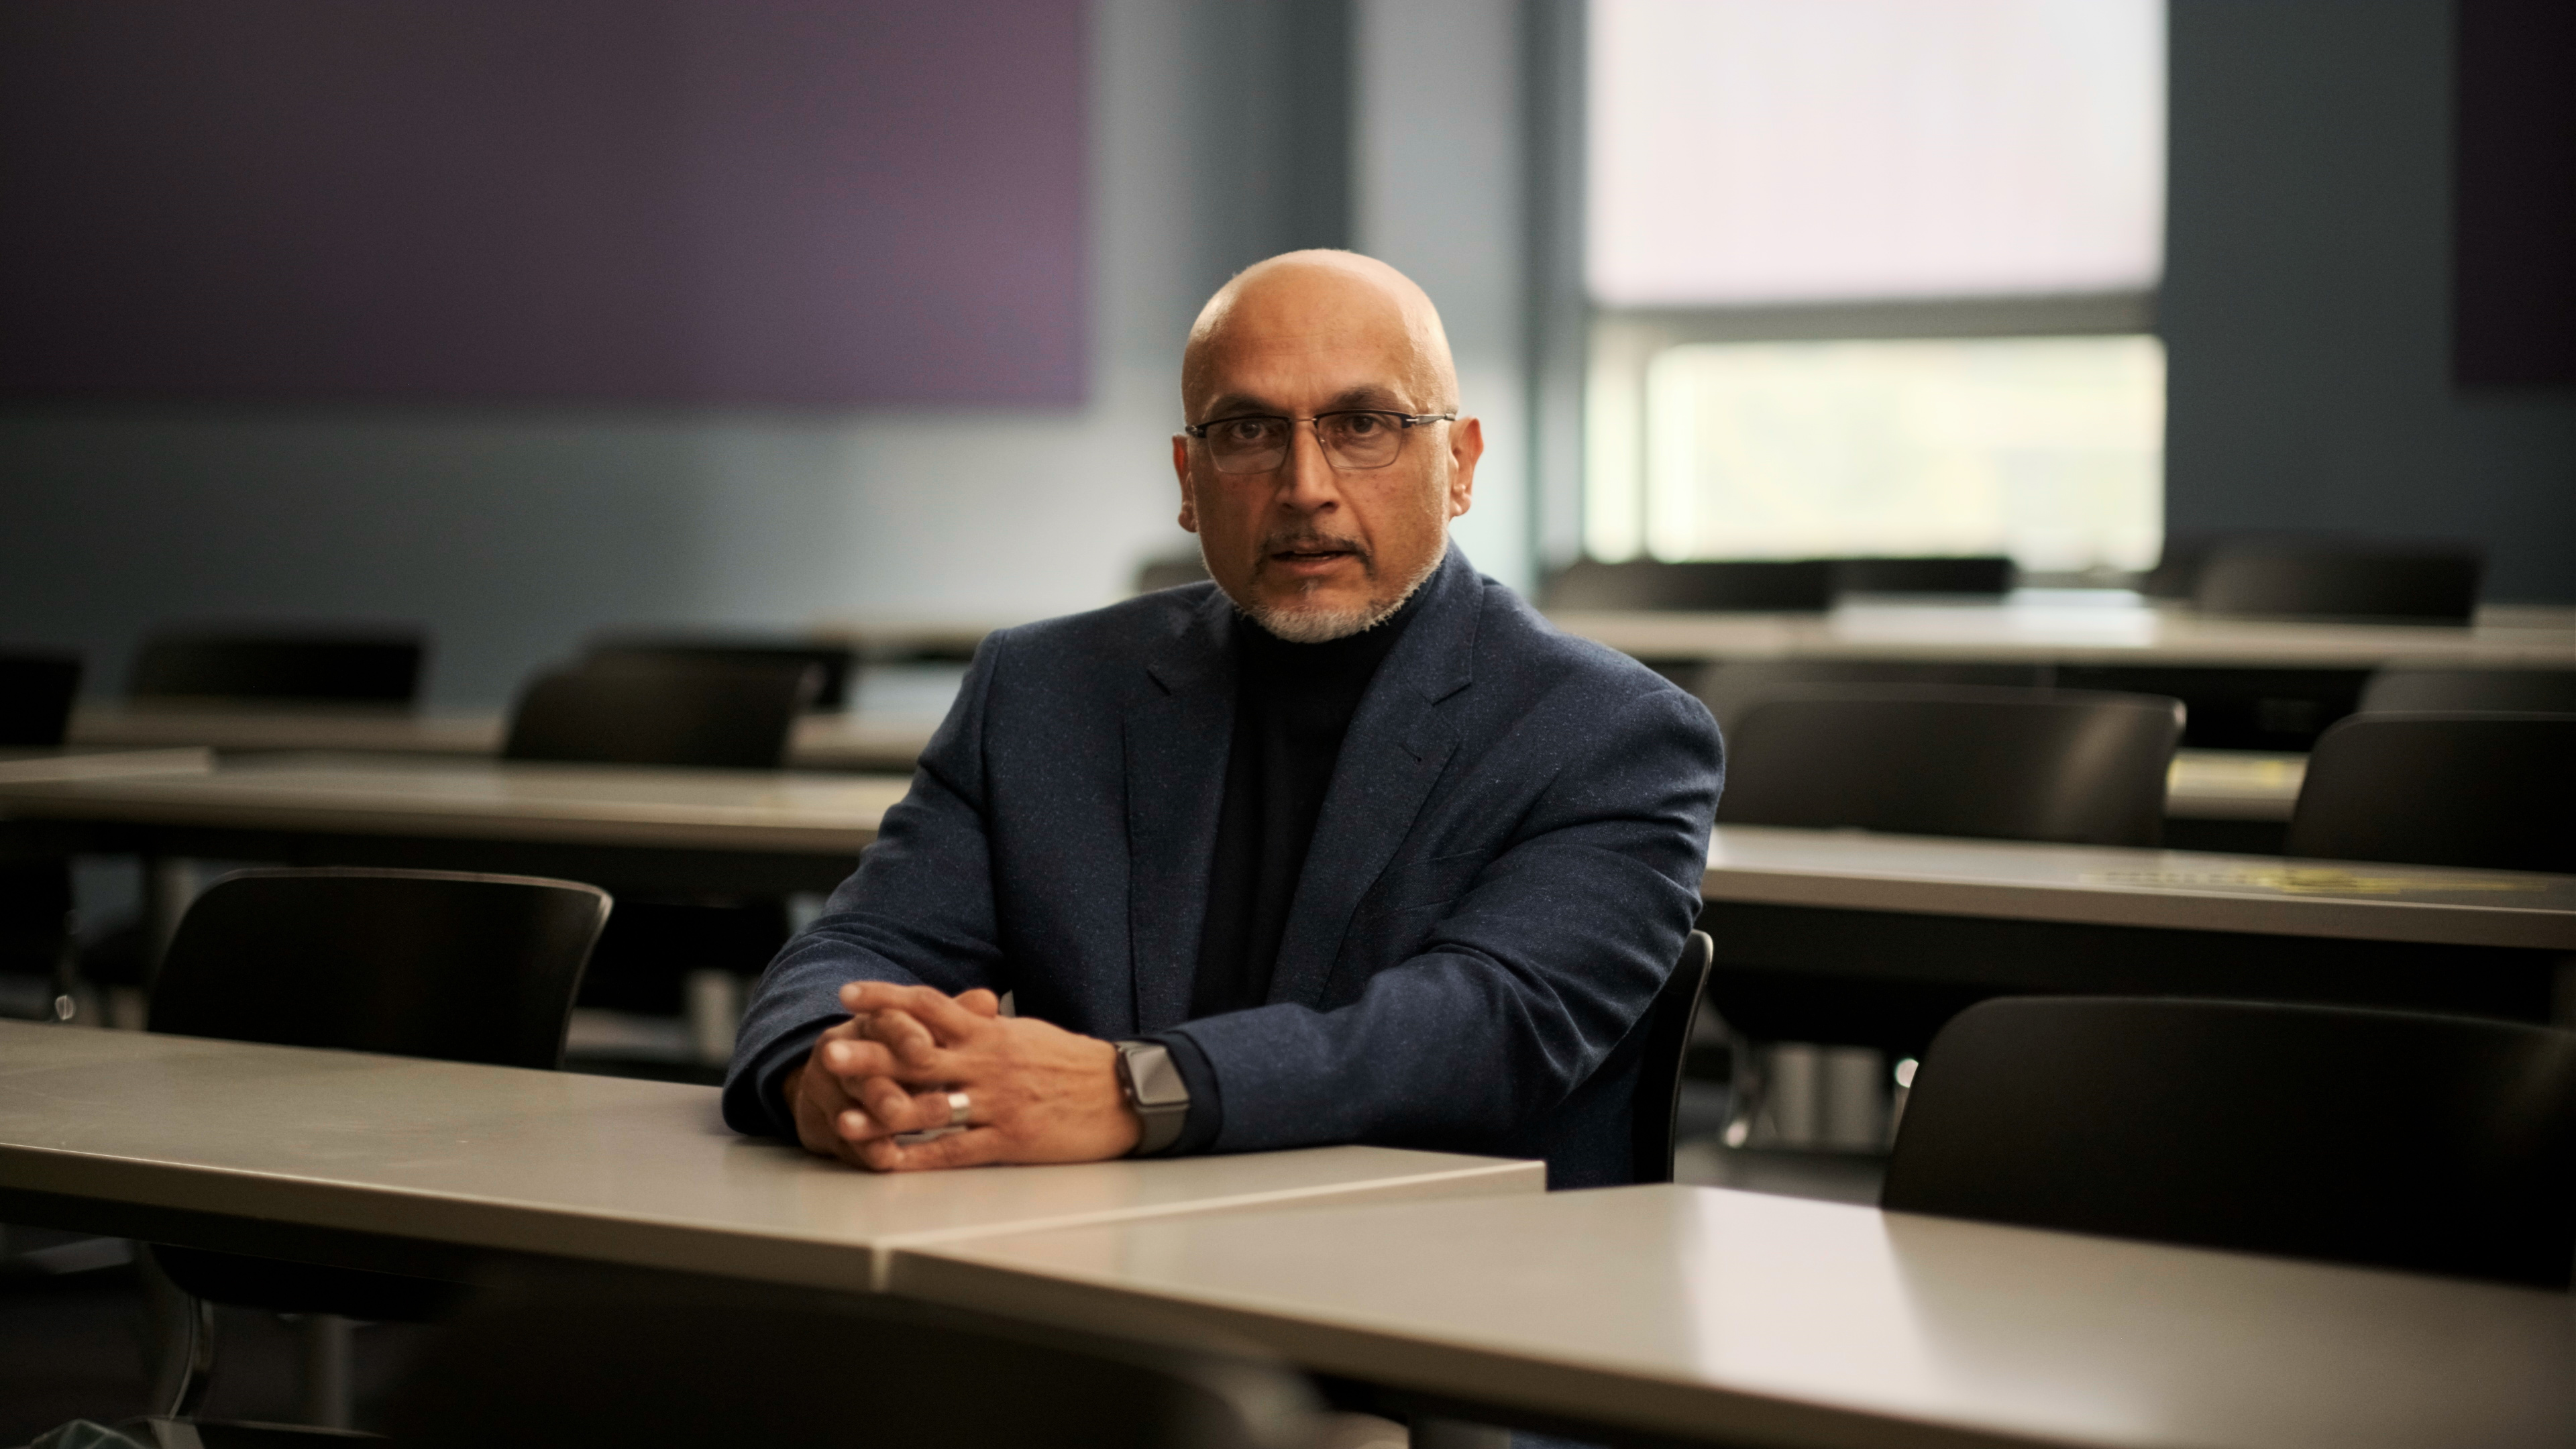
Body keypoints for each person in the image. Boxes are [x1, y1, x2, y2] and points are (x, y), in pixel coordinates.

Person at [721, 250, 1721, 1187]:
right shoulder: (1040, 690)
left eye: (1363, 425)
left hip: (1437, 1295)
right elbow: (861, 955)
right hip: (1092, 1282)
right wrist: (832, 1072)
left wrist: (1134, 1090)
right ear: (1187, 482)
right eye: (1247, 430)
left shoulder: (1614, 735)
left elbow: (1484, 1029)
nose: (1305, 487)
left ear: (1459, 464)